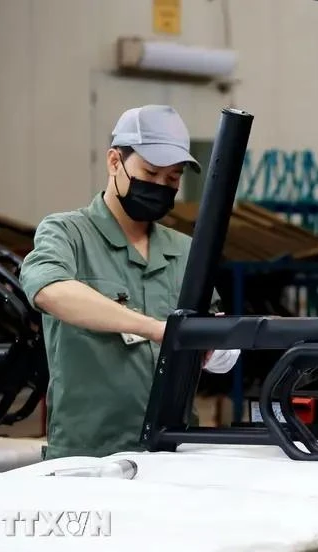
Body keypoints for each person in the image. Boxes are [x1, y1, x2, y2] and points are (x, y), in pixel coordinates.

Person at [20, 104, 239, 460]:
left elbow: (214, 334)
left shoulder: (185, 251)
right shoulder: (68, 233)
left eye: (172, 179)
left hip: (173, 452)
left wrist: (218, 347)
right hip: (88, 457)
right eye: (150, 172)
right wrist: (155, 328)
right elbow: (51, 290)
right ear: (114, 162)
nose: (160, 186)